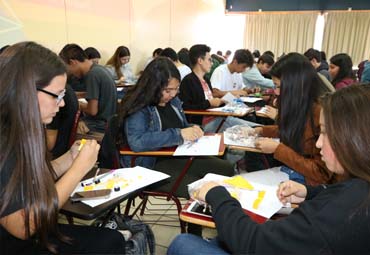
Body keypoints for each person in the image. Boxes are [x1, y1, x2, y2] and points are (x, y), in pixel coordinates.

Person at [168, 83, 370, 255]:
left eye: (325, 133)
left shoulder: (336, 213)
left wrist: (217, 195)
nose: (318, 143)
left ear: (354, 139)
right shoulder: (356, 191)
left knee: (182, 243)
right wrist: (310, 192)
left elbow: (255, 243)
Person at [0, 42, 126, 254]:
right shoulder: (5, 140)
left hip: (28, 234)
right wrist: (77, 170)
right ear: (27, 90)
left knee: (110, 239)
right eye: (56, 95)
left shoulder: (21, 128)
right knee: (109, 243)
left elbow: (25, 181)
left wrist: (68, 159)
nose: (63, 104)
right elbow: (23, 226)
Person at [119, 57, 234, 199]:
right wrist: (179, 134)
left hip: (178, 154)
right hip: (151, 164)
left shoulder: (173, 101)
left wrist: (193, 129)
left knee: (226, 169)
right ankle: (198, 217)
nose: (173, 94)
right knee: (204, 189)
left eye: (176, 89)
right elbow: (137, 142)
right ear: (153, 86)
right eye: (167, 90)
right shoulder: (140, 106)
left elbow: (182, 126)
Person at [253, 53, 334, 185]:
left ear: (295, 85)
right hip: (297, 170)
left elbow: (322, 174)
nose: (276, 92)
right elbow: (295, 131)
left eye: (279, 86)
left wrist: (278, 149)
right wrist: (261, 130)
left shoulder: (321, 111)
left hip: (311, 183)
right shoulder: (303, 103)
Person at [179, 44, 257, 133]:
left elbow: (212, 101)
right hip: (203, 123)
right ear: (200, 60)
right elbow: (185, 107)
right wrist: (209, 103)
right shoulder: (188, 81)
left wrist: (225, 100)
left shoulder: (205, 80)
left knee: (251, 127)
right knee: (248, 130)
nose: (212, 63)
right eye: (209, 60)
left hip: (216, 117)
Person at [59, 43, 117, 133]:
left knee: (63, 126)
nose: (69, 73)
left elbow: (92, 111)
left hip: (99, 125)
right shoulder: (100, 70)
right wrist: (73, 96)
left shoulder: (92, 75)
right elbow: (95, 95)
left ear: (73, 62)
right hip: (108, 122)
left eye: (67, 68)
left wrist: (77, 104)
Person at [46, 84, 79, 158]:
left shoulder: (52, 100)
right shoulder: (65, 89)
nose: (62, 103)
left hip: (53, 155)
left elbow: (49, 144)